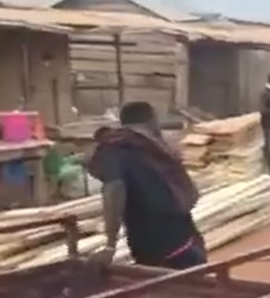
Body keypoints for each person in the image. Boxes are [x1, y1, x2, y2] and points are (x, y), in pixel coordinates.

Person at [88, 101, 205, 270]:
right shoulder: (144, 146)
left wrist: (110, 245)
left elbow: (113, 189)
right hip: (182, 241)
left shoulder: (119, 145)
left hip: (153, 246)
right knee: (190, 284)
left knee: (164, 284)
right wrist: (110, 246)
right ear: (151, 121)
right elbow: (114, 189)